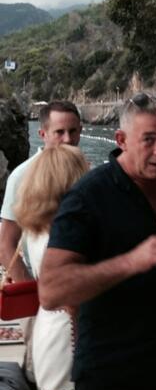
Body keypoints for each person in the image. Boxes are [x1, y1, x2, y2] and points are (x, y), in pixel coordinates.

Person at [39, 93, 156, 390]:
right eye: (149, 139)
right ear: (121, 140)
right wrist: (131, 262)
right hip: (112, 374)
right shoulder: (89, 196)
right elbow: (51, 290)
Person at [14, 145, 88, 390]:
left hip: (48, 332)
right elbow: (75, 300)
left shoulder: (36, 228)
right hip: (68, 339)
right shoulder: (65, 234)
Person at [0, 100, 82, 282]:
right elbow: (6, 245)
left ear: (80, 130)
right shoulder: (22, 176)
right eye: (59, 132)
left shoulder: (89, 175)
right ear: (43, 134)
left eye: (73, 131)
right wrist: (32, 290)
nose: (68, 139)